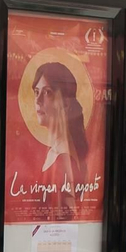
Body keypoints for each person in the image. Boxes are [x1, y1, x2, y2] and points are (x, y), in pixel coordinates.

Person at [31, 62, 89, 198]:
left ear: (66, 103)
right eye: (36, 92)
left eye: (47, 92)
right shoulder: (57, 151)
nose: (38, 100)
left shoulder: (63, 158)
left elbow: (66, 212)